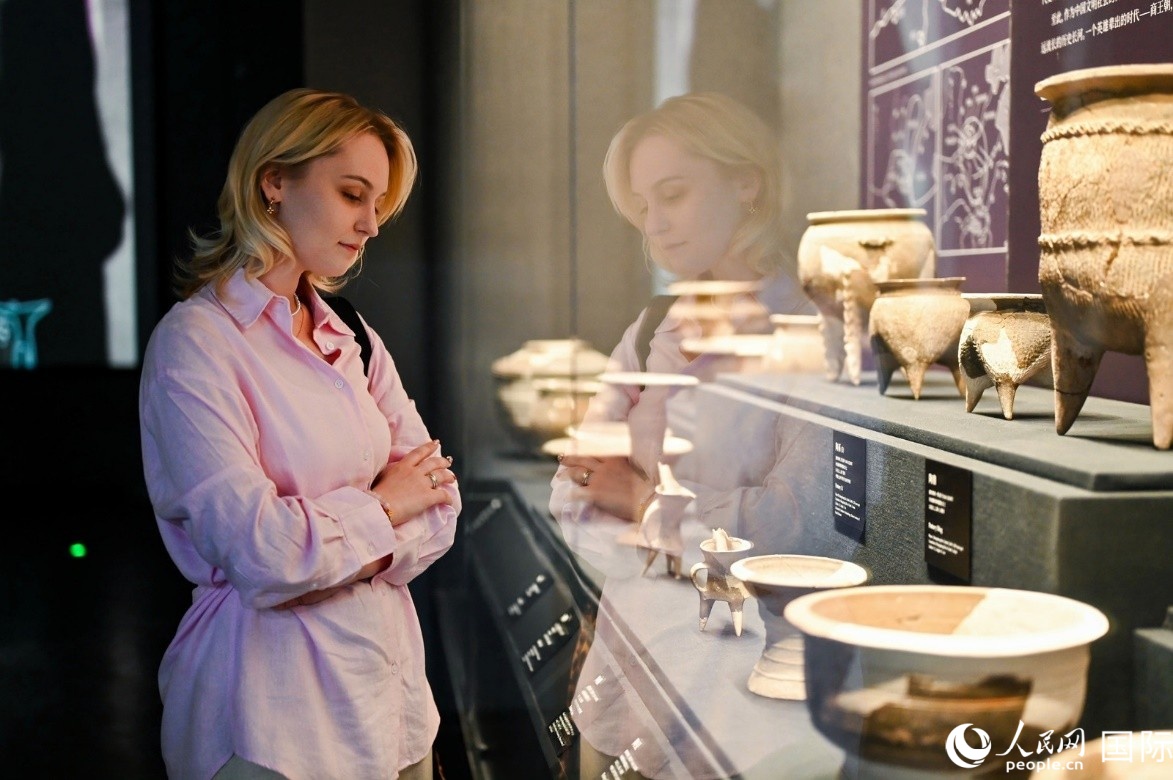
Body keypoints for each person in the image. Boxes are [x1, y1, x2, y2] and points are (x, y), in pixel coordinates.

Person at [139, 88, 459, 780]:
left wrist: (330, 551)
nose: (371, 224)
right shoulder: (196, 344)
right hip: (273, 728)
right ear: (274, 182)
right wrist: (383, 507)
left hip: (397, 714)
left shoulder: (353, 335)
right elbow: (260, 552)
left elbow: (439, 501)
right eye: (352, 194)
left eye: (379, 204)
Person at [547, 91, 815, 779]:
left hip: (743, 691)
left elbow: (799, 531)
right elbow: (570, 496)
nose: (655, 226)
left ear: (745, 181)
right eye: (641, 207)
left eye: (672, 194)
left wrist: (643, 505)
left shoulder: (811, 336)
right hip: (626, 663)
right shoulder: (650, 327)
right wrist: (686, 539)